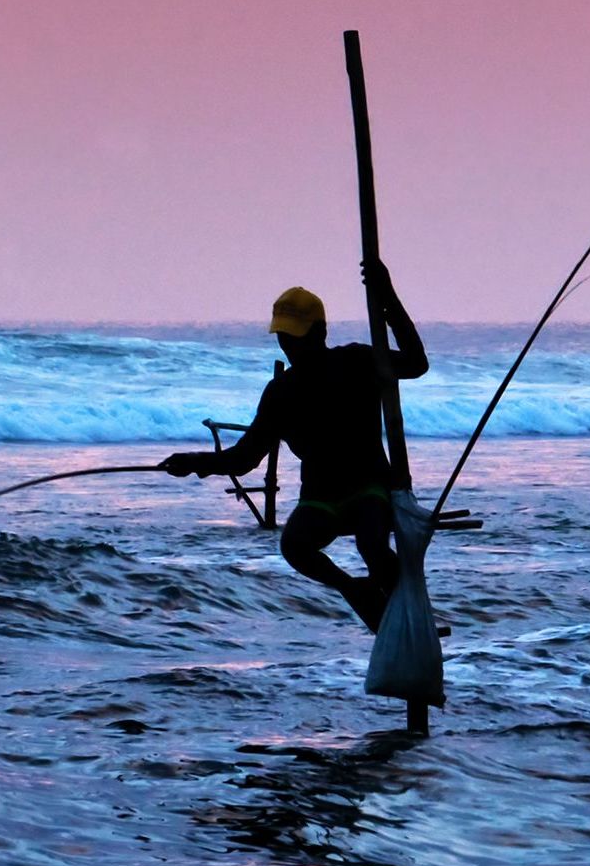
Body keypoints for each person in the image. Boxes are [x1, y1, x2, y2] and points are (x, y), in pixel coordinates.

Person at [160, 263, 427, 632]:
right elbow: (245, 458)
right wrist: (194, 461)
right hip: (320, 496)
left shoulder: (357, 360)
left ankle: (411, 617)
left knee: (373, 547)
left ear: (320, 332)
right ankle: (354, 591)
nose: (290, 345)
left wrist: (388, 297)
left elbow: (416, 363)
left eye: (297, 336)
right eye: (284, 337)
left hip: (369, 486)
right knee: (294, 546)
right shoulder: (281, 392)